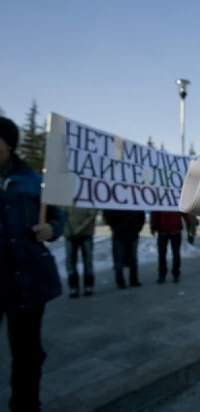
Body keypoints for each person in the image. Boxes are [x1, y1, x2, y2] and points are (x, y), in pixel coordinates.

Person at [0, 116, 66, 412]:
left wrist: (52, 228)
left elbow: (57, 216)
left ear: (8, 144)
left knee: (27, 354)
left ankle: (25, 406)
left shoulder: (32, 179)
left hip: (26, 282)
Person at [103, 209, 146, 288]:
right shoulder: (114, 203)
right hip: (119, 233)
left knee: (133, 258)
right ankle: (120, 281)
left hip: (132, 233)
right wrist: (114, 226)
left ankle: (133, 279)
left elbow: (141, 216)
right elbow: (107, 214)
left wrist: (137, 228)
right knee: (119, 258)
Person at [62, 206, 98, 298]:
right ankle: (73, 287)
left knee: (88, 261)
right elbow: (61, 214)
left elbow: (92, 215)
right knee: (70, 261)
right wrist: (68, 230)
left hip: (86, 233)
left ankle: (88, 286)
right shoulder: (66, 200)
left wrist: (80, 229)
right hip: (70, 234)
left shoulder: (87, 199)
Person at [150, 211, 191, 284]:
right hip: (163, 231)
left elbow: (183, 210)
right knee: (162, 255)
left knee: (176, 254)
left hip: (175, 231)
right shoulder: (161, 200)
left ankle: (175, 274)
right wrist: (153, 226)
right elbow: (155, 212)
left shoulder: (176, 200)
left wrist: (188, 222)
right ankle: (162, 275)